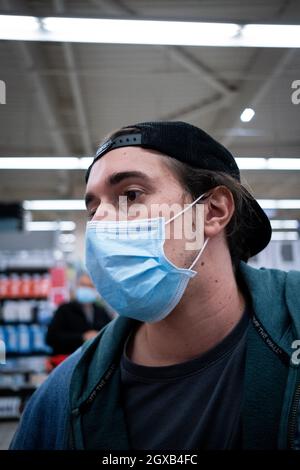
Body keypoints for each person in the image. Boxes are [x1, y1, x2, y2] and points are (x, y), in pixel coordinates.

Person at [10, 121, 300, 450]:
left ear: (213, 211)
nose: (99, 221)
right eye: (93, 209)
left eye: (130, 195)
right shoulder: (63, 399)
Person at [46, 272, 111, 356]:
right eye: (83, 285)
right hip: (68, 360)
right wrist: (82, 337)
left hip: (92, 360)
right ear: (76, 286)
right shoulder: (64, 309)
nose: (87, 289)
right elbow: (51, 338)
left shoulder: (101, 311)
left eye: (90, 286)